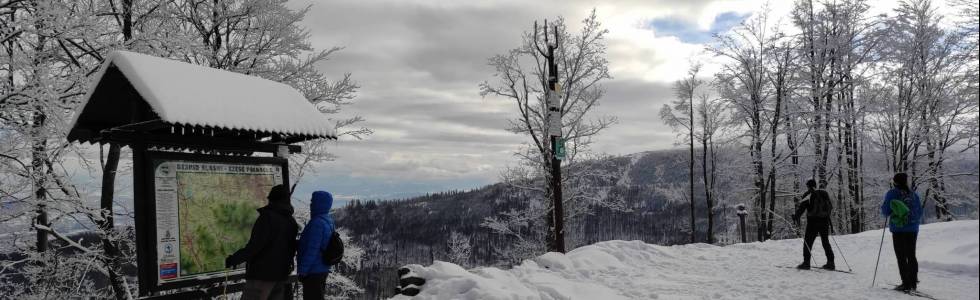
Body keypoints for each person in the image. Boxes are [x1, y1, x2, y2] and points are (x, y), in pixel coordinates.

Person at [225, 184, 299, 300]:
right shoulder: (291, 221)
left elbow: (255, 246)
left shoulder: (268, 218)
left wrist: (234, 259)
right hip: (280, 275)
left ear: (271, 199)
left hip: (261, 275)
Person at [881, 173, 922, 292]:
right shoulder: (913, 194)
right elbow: (920, 211)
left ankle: (906, 283)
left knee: (901, 256)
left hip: (899, 229)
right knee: (911, 255)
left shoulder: (892, 193)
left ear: (895, 182)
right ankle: (913, 282)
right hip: (913, 229)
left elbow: (885, 211)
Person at [296, 191, 336, 300]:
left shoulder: (316, 223)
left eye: (313, 201)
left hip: (313, 271)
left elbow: (312, 249)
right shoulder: (328, 221)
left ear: (319, 203)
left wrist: (303, 270)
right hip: (322, 268)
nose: (311, 204)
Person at [792, 179, 835, 270]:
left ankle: (806, 263)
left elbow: (802, 209)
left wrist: (796, 216)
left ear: (808, 186)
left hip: (813, 223)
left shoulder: (808, 195)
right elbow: (830, 207)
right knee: (825, 242)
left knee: (808, 242)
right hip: (824, 222)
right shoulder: (824, 194)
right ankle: (831, 263)